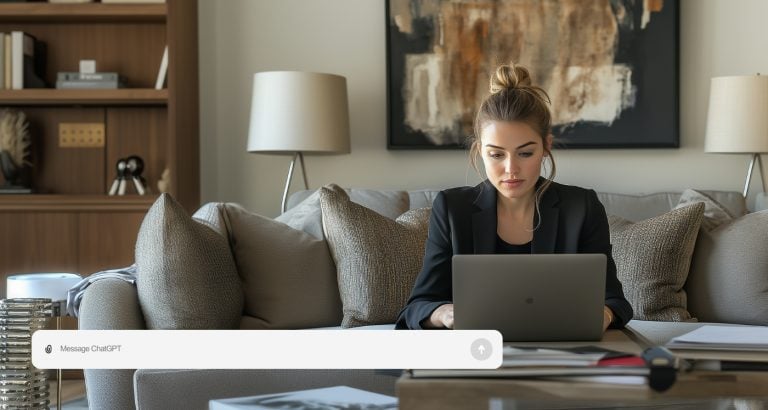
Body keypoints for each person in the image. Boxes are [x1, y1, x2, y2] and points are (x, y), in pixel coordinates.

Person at [395, 63, 633, 331]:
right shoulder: (451, 209)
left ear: (546, 147)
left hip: (561, 346)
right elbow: (418, 306)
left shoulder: (582, 207)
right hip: (479, 349)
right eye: (496, 154)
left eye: (525, 153)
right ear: (479, 150)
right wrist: (445, 314)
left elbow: (615, 300)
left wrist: (602, 315)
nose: (511, 169)